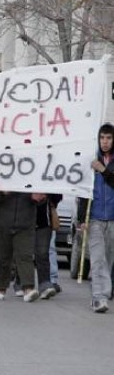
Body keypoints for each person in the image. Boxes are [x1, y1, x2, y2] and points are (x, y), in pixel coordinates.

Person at [77, 123, 114, 313]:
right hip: (95, 218)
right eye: (102, 138)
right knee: (98, 260)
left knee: (108, 260)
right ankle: (100, 297)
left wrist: (103, 170)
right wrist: (82, 218)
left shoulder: (105, 163)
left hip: (113, 220)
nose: (105, 142)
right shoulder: (91, 160)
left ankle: (102, 293)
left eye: (108, 138)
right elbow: (84, 191)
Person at [0, 191, 41, 302]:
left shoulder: (32, 175)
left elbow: (43, 197)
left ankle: (28, 288)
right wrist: (2, 193)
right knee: (2, 256)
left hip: (25, 222)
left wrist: (38, 198)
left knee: (25, 255)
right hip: (1, 221)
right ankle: (1, 288)